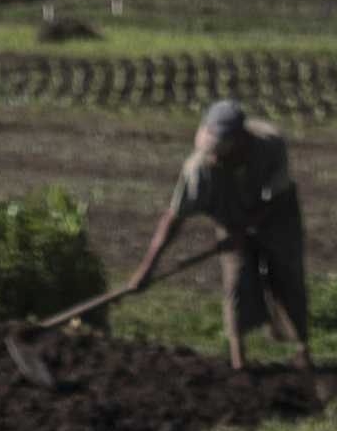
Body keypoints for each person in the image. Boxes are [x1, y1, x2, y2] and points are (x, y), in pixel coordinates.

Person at [128, 95, 313, 376]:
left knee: (288, 276)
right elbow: (174, 217)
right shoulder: (199, 168)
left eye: (220, 150)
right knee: (236, 282)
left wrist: (249, 228)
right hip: (231, 219)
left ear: (240, 140)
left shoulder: (270, 143)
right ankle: (239, 362)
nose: (214, 156)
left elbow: (281, 195)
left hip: (277, 217)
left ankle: (303, 352)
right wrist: (146, 268)